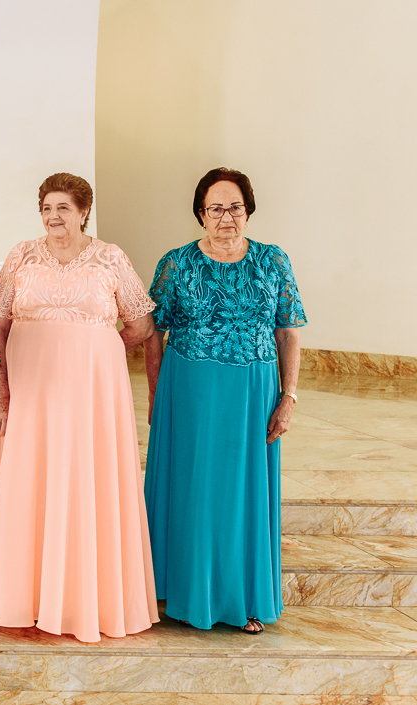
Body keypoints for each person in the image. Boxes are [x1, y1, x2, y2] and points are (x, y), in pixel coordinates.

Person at [0, 173, 158, 643]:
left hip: (94, 391)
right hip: (32, 386)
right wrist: (1, 388)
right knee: (34, 479)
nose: (54, 217)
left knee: (88, 479)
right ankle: (28, 598)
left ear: (83, 212)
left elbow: (141, 323)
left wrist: (99, 348)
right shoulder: (21, 255)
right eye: (47, 208)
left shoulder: (110, 256)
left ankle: (87, 601)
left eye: (63, 208)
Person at [144, 167, 306, 634]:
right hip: (190, 390)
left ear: (248, 211)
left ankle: (245, 598)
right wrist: (157, 392)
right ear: (200, 214)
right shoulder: (176, 263)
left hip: (253, 394)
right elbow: (154, 330)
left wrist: (289, 397)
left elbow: (288, 331)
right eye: (215, 208)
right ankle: (178, 591)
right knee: (193, 487)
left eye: (234, 207)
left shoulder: (273, 262)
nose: (226, 217)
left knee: (242, 493)